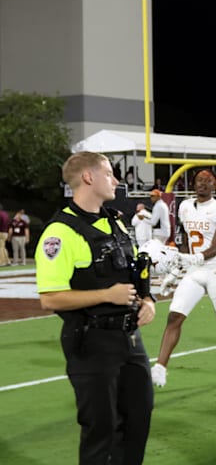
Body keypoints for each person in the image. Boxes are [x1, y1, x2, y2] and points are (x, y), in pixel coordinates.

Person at [35, 151, 156, 464]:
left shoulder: (114, 221)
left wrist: (146, 300)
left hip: (129, 339)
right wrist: (107, 295)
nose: (116, 180)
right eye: (109, 173)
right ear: (88, 177)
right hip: (91, 342)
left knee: (138, 421)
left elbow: (131, 272)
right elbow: (50, 297)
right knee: (100, 430)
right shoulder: (60, 232)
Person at [150, 169, 216, 388]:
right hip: (194, 273)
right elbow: (186, 242)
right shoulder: (186, 207)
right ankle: (159, 368)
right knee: (174, 317)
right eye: (198, 180)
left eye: (207, 181)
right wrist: (176, 272)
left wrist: (193, 259)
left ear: (215, 185)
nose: (202, 184)